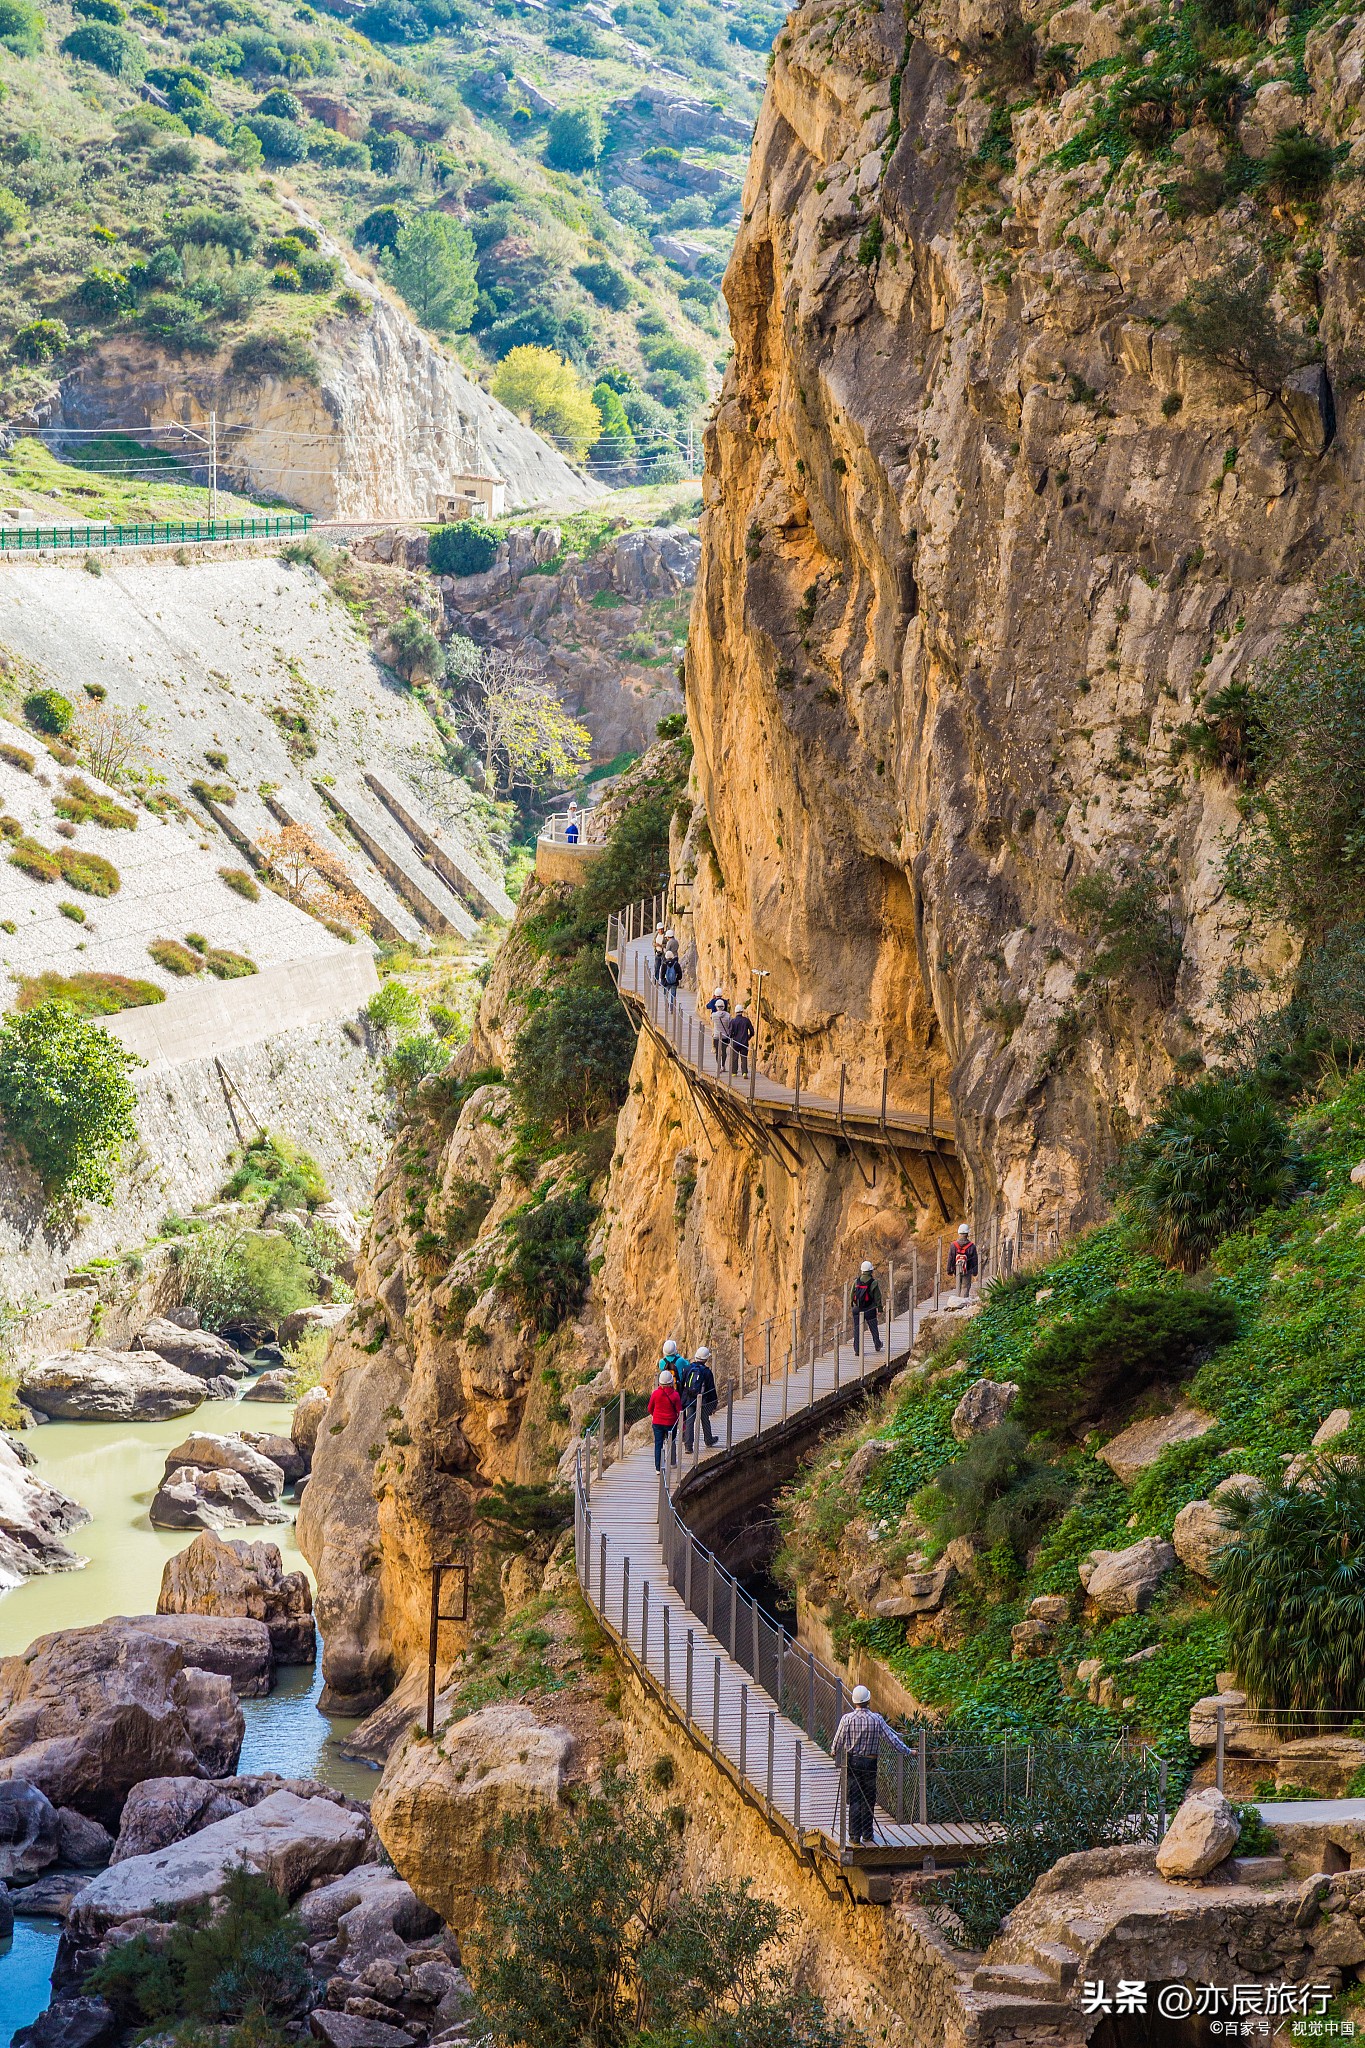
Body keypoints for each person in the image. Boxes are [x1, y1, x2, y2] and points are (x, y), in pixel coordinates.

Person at [832, 1684, 909, 1845]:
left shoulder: (846, 1719)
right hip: (870, 1763)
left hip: (853, 1762)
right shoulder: (877, 1719)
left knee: (854, 1799)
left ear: (854, 1701)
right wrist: (908, 1751)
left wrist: (834, 1751)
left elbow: (838, 1741)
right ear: (868, 1700)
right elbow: (892, 1739)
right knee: (868, 1798)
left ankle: (854, 1836)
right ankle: (867, 1833)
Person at [680, 1344, 719, 1451]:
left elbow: (682, 1384)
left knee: (689, 1421)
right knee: (705, 1419)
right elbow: (711, 1388)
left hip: (689, 1399)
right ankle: (708, 1440)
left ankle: (688, 1446)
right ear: (706, 1358)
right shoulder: (707, 1372)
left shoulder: (687, 1368)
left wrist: (682, 1399)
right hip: (702, 1400)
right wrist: (714, 1403)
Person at [647, 1367, 682, 1471]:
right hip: (671, 1423)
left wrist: (656, 1415)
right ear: (671, 1382)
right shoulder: (675, 1395)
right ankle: (672, 1463)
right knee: (671, 1442)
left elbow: (649, 1408)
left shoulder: (655, 1394)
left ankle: (658, 1468)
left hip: (657, 1423)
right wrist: (681, 1424)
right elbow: (679, 1410)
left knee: (658, 1444)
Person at [850, 1261, 883, 1355]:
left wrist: (853, 1305)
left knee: (857, 1329)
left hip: (857, 1309)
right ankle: (877, 1345)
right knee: (873, 1328)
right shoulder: (874, 1282)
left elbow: (851, 1294)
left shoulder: (856, 1281)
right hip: (870, 1309)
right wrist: (879, 1309)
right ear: (871, 1271)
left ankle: (857, 1350)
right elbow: (878, 1297)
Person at [947, 1222, 979, 1298]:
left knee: (958, 1285)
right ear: (967, 1234)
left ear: (959, 1233)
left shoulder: (953, 1245)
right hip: (967, 1270)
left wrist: (949, 1270)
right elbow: (974, 1260)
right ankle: (963, 1301)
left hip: (956, 1270)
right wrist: (975, 1272)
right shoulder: (972, 1246)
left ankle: (957, 1301)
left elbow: (950, 1258)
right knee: (965, 1287)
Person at [726, 1003, 753, 1079]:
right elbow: (752, 1031)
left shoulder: (733, 1021)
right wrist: (748, 1037)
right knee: (744, 1057)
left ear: (735, 1012)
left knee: (735, 1058)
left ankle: (734, 1072)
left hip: (735, 1042)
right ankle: (744, 1072)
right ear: (742, 1011)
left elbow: (730, 1033)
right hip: (744, 1042)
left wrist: (730, 1039)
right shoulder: (746, 1020)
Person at [705, 988, 730, 1068]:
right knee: (724, 1051)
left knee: (714, 1031)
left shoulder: (713, 1005)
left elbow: (707, 1006)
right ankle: (723, 1065)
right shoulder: (725, 1002)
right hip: (725, 1023)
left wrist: (712, 999)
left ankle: (714, 1048)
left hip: (716, 1020)